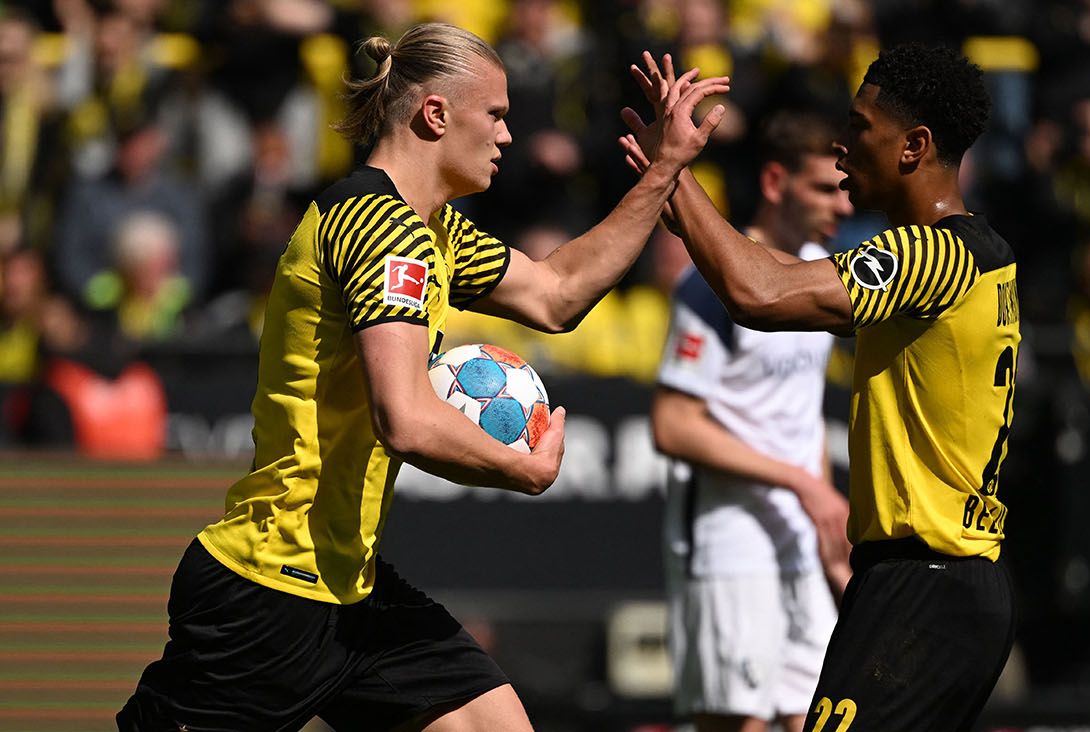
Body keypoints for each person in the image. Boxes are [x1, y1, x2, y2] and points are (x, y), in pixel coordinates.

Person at [118, 22, 728, 732]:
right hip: (267, 592)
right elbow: (403, 417)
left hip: (350, 585)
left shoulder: (432, 228)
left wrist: (662, 172)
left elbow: (556, 294)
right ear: (435, 114)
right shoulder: (380, 227)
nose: (508, 135)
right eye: (496, 115)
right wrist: (520, 468)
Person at [621, 44, 1018, 731]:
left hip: (920, 587)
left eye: (861, 128)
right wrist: (676, 185)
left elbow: (758, 293)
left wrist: (673, 169)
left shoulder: (931, 256)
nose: (842, 145)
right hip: (949, 583)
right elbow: (772, 273)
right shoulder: (982, 257)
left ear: (914, 146)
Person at [651, 110, 853, 732]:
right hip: (728, 536)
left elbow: (802, 411)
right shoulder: (713, 284)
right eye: (824, 187)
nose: (842, 206)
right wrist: (804, 484)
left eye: (845, 187)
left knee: (815, 717)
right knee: (739, 724)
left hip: (798, 536)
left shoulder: (822, 273)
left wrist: (826, 519)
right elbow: (673, 425)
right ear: (774, 183)